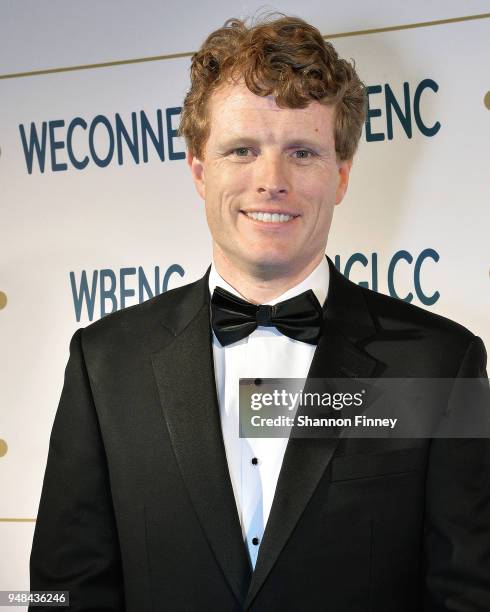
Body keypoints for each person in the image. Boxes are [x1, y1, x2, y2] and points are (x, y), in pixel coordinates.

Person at [30, 14, 489, 612]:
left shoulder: (439, 364)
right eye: (242, 149)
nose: (271, 181)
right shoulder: (105, 362)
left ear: (342, 173)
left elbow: (470, 593)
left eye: (302, 152)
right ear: (199, 168)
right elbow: (57, 594)